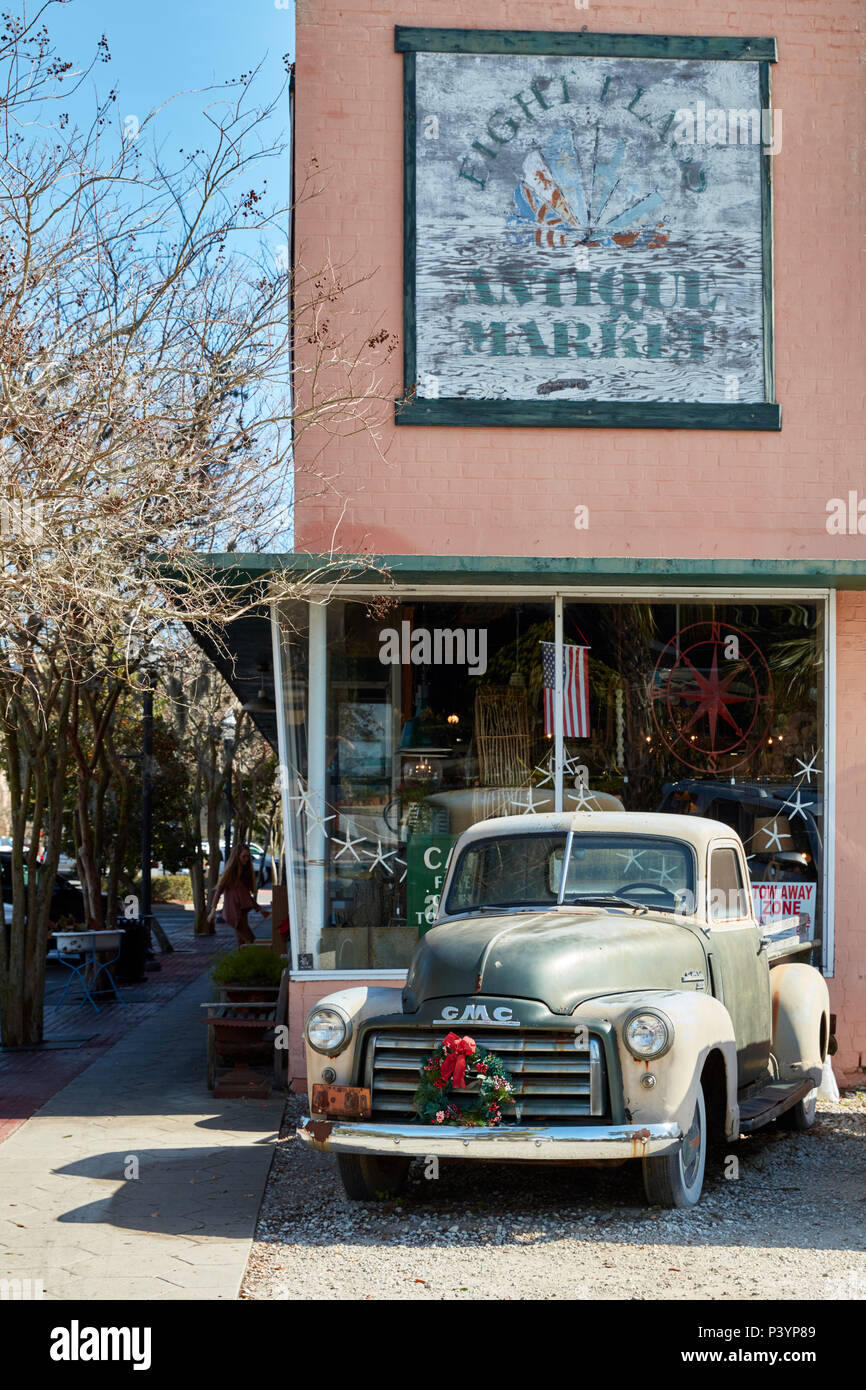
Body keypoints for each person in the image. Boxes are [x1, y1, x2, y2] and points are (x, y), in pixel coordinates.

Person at [208, 842, 270, 946]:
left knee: (242, 942)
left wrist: (259, 908)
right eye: (244, 856)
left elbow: (245, 895)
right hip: (234, 912)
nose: (246, 859)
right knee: (250, 940)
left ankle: (242, 961)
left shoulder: (246, 873)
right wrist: (213, 911)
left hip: (242, 911)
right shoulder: (231, 872)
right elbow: (219, 890)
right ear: (237, 856)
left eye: (248, 856)